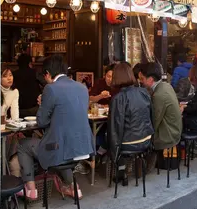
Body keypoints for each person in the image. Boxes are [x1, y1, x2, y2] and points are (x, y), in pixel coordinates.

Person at [16, 55, 94, 200]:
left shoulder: (50, 89)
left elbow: (41, 121)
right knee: (62, 145)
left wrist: (42, 104)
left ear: (47, 74)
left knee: (23, 145)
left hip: (61, 150)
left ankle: (31, 190)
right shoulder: (82, 87)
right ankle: (73, 187)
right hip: (82, 148)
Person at [108, 62, 154, 180]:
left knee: (108, 137)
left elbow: (115, 129)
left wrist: (115, 155)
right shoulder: (144, 92)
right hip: (146, 140)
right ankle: (124, 169)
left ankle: (120, 171)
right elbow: (150, 116)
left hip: (129, 143)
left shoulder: (118, 98)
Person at [140, 62, 182, 150]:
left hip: (167, 136)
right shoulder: (166, 85)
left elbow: (153, 122)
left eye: (142, 78)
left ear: (150, 79)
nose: (141, 81)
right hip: (174, 132)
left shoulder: (159, 95)